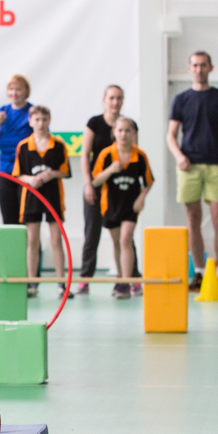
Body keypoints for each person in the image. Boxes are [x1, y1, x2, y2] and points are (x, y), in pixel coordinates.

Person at [166, 51, 218, 293]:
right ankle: (198, 272)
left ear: (210, 68)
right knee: (192, 219)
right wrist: (179, 156)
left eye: (203, 65)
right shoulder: (181, 99)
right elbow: (171, 135)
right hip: (190, 166)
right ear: (189, 68)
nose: (199, 69)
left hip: (217, 165)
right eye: (195, 65)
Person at [77, 85, 141, 295]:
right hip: (97, 185)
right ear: (104, 99)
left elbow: (135, 157)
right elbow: (85, 154)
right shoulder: (94, 123)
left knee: (125, 237)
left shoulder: (130, 125)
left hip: (121, 191)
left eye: (119, 98)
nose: (115, 102)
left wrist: (138, 193)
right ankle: (85, 278)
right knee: (91, 234)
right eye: (112, 97)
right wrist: (88, 183)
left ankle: (132, 278)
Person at [90, 117, 154, 299]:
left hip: (130, 206)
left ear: (133, 133)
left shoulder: (139, 155)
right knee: (117, 242)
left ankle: (126, 282)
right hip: (111, 205)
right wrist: (110, 170)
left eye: (127, 130)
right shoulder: (106, 155)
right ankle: (121, 278)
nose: (124, 134)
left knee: (126, 239)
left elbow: (149, 181)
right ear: (114, 133)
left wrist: (142, 197)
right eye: (120, 130)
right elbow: (95, 180)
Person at [13, 105, 71, 298]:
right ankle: (32, 282)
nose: (41, 123)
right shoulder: (23, 146)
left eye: (44, 119)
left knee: (56, 239)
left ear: (49, 121)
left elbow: (65, 171)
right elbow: (18, 174)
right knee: (32, 240)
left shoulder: (58, 145)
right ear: (30, 122)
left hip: (53, 195)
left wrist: (52, 174)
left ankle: (61, 283)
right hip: (31, 197)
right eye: (37, 120)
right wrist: (30, 180)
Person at [0, 74, 34, 225]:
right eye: (11, 89)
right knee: (8, 217)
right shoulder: (1, 112)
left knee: (27, 217)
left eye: (18, 89)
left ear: (26, 91)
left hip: (26, 171)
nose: (14, 93)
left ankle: (29, 241)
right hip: (5, 170)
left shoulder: (32, 112)